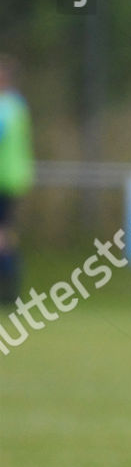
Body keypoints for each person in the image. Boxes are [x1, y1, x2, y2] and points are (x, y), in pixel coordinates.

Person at [0, 57, 35, 305]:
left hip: (3, 178)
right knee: (7, 235)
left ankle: (9, 293)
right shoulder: (18, 105)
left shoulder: (5, 108)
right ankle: (11, 293)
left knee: (3, 236)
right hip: (14, 178)